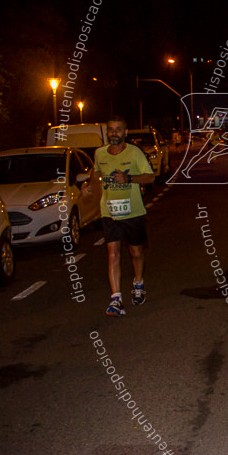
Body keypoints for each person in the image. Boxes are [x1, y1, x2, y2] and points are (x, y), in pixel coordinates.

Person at [84, 116, 156, 316]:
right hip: (110, 213)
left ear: (125, 133)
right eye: (110, 130)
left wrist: (129, 178)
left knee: (136, 253)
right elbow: (95, 171)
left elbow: (150, 176)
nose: (113, 133)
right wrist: (89, 186)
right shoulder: (100, 153)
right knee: (113, 255)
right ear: (106, 132)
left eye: (117, 130)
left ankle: (138, 283)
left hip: (133, 212)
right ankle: (116, 299)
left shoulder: (135, 153)